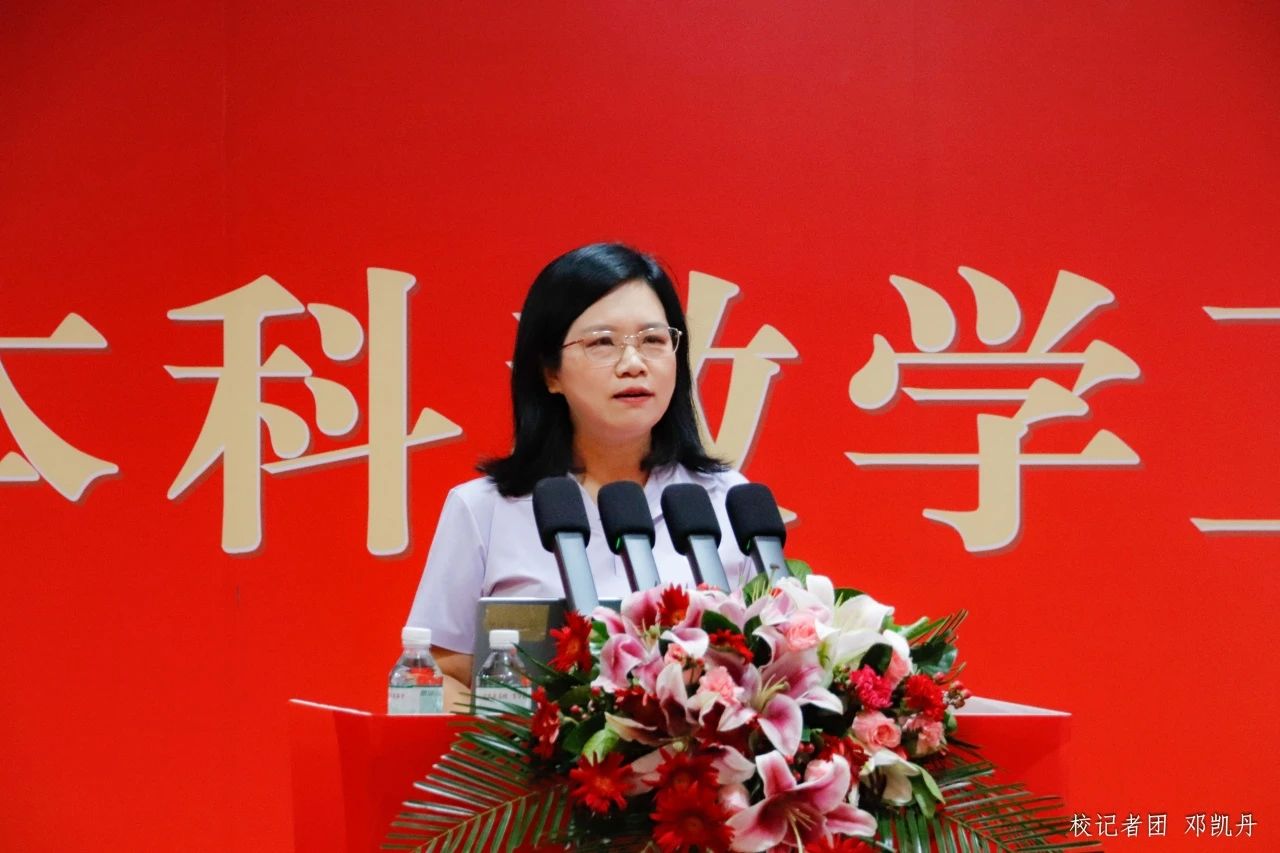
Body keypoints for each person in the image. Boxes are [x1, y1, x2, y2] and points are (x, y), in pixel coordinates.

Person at [406, 242, 752, 685]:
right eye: (602, 343)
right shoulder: (484, 509)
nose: (633, 364)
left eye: (653, 340)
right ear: (551, 373)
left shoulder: (726, 501)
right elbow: (439, 670)